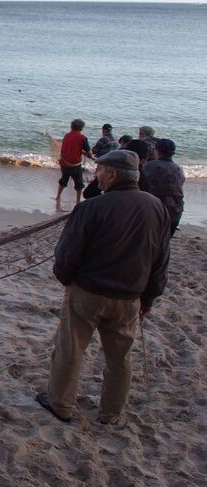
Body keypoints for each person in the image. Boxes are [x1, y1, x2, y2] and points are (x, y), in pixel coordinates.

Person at [36, 150, 171, 425]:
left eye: (99, 170)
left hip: (88, 293)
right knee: (120, 358)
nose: (95, 175)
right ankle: (111, 413)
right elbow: (160, 261)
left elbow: (66, 256)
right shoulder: (157, 207)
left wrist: (68, 282)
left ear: (112, 174)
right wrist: (149, 298)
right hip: (130, 297)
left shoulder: (91, 207)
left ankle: (61, 405)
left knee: (70, 350)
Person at [144, 138, 185, 237]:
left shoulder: (148, 166)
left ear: (156, 150)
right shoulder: (179, 169)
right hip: (176, 212)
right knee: (164, 244)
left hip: (154, 212)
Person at [55, 118, 92, 208]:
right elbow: (89, 153)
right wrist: (85, 153)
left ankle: (58, 197)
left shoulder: (66, 135)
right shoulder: (83, 138)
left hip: (64, 163)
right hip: (75, 166)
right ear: (81, 128)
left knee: (63, 180)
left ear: (71, 126)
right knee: (79, 184)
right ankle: (78, 202)